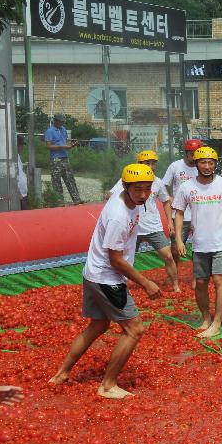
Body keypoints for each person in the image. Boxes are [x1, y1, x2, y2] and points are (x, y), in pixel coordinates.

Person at [49, 164, 161, 399]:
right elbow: (116, 260)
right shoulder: (119, 216)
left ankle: (62, 373)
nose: (143, 194)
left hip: (93, 273)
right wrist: (145, 282)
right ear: (126, 186)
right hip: (107, 279)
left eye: (147, 189)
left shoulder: (127, 199)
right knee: (134, 330)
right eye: (138, 189)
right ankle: (108, 385)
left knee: (98, 325)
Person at [173, 147, 222, 338]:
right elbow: (179, 213)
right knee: (201, 282)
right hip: (199, 243)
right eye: (203, 162)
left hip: (221, 241)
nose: (207, 166)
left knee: (219, 280)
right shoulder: (187, 187)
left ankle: (217, 322)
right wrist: (179, 239)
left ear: (215, 164)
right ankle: (206, 317)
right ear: (196, 164)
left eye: (210, 162)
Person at [106, 151, 180, 292]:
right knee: (125, 260)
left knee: (168, 256)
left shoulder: (157, 182)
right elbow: (110, 194)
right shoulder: (129, 180)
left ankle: (175, 286)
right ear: (139, 164)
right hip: (133, 227)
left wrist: (170, 222)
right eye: (147, 163)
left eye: (153, 163)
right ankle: (121, 287)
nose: (151, 166)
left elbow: (165, 201)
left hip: (153, 226)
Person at [163, 139, 202, 284]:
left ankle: (197, 276)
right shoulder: (175, 166)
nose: (194, 156)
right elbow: (163, 185)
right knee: (175, 247)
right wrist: (170, 197)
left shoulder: (201, 167)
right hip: (180, 214)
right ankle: (174, 274)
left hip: (199, 213)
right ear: (186, 153)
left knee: (200, 247)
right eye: (191, 154)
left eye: (196, 153)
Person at [43, 112, 82, 205]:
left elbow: (66, 142)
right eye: (60, 121)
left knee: (70, 179)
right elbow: (48, 146)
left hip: (65, 158)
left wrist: (72, 145)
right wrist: (62, 147)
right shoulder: (50, 131)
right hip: (55, 159)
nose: (62, 123)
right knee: (56, 181)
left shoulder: (63, 129)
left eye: (63, 121)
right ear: (55, 121)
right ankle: (60, 201)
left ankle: (77, 200)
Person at [16, 134, 28, 210]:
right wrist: (18, 192)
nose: (22, 147)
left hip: (24, 194)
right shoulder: (12, 158)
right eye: (21, 145)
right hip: (19, 195)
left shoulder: (17, 156)